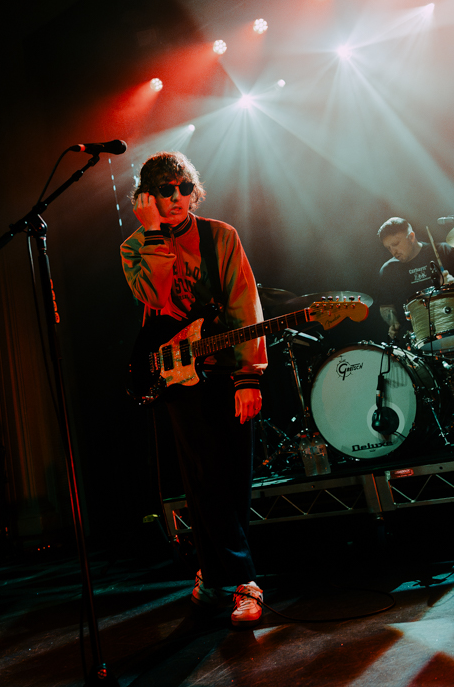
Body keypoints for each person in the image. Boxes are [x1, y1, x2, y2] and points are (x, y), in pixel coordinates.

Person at [121, 151, 267, 628]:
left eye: (184, 188)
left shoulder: (220, 236)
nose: (178, 197)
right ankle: (245, 582)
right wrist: (154, 234)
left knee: (234, 480)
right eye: (166, 190)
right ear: (147, 197)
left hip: (227, 370)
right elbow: (157, 298)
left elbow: (245, 303)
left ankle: (214, 573)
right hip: (177, 377)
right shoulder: (134, 247)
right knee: (205, 479)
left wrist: (248, 376)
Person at [377, 217, 454, 340]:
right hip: (415, 337)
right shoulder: (388, 270)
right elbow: (386, 306)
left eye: (395, 244)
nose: (393, 252)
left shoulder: (443, 251)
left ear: (411, 237)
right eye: (389, 248)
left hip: (450, 325)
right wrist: (393, 322)